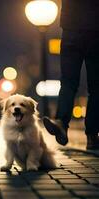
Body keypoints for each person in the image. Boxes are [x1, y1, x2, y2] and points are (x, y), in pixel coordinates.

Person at [43, 0, 99, 150]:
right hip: (95, 31)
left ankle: (61, 122)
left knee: (68, 82)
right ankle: (92, 136)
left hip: (70, 32)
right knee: (96, 87)